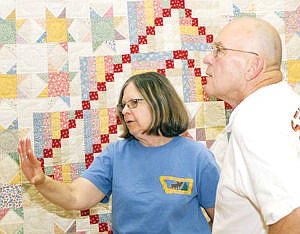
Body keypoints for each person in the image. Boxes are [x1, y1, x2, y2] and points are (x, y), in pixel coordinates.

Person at [18, 71, 220, 234]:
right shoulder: (115, 154)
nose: (124, 111)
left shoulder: (197, 157)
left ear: (160, 102)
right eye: (123, 105)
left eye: (134, 103)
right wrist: (42, 181)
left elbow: (223, 220)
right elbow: (75, 196)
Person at [203, 17, 300, 234]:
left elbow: (293, 217)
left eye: (219, 50)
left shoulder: (256, 118)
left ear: (253, 66)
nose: (207, 59)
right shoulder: (287, 104)